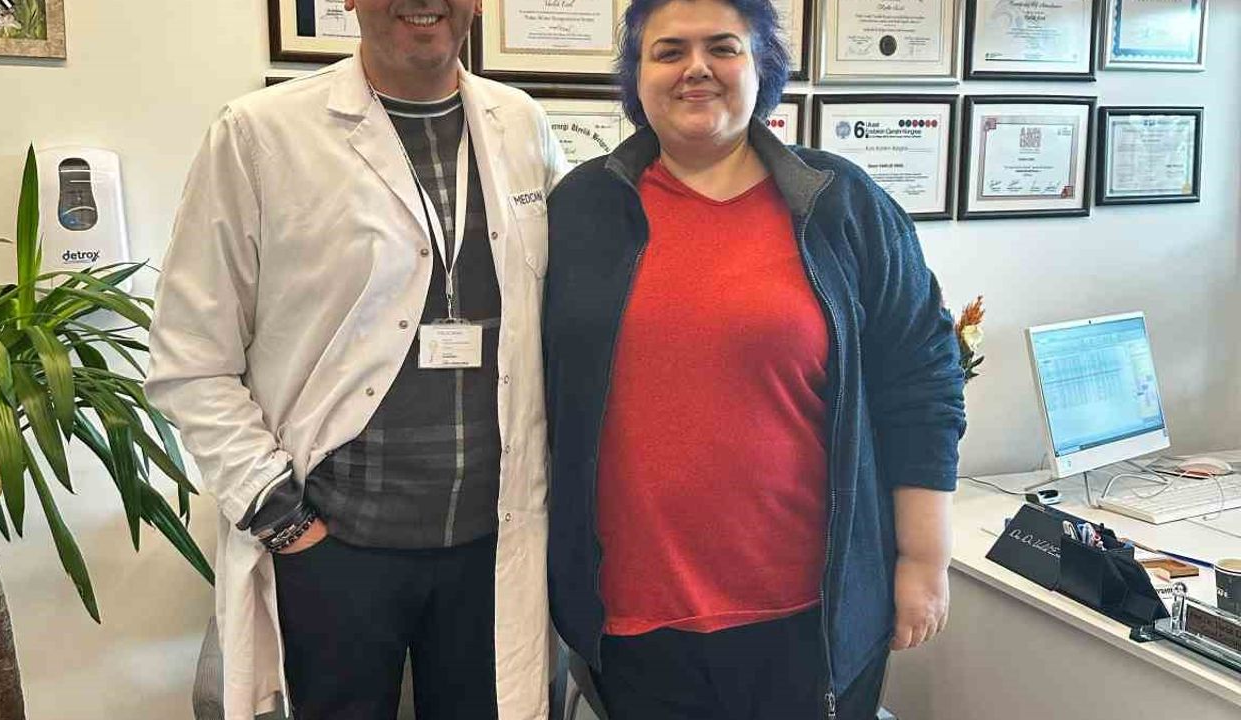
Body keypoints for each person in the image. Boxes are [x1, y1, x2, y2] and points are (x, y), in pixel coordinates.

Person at [541, 0, 966, 717]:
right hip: (633, 622)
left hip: (809, 620)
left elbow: (923, 383)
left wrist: (924, 562)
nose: (696, 68)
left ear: (762, 66)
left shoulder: (842, 205)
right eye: (669, 51)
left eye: (723, 47)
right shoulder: (581, 208)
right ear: (636, 75)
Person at [145, 0, 569, 717]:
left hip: (494, 544)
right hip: (335, 548)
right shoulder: (259, 134)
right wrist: (283, 519)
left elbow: (564, 316)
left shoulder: (522, 123)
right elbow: (190, 358)